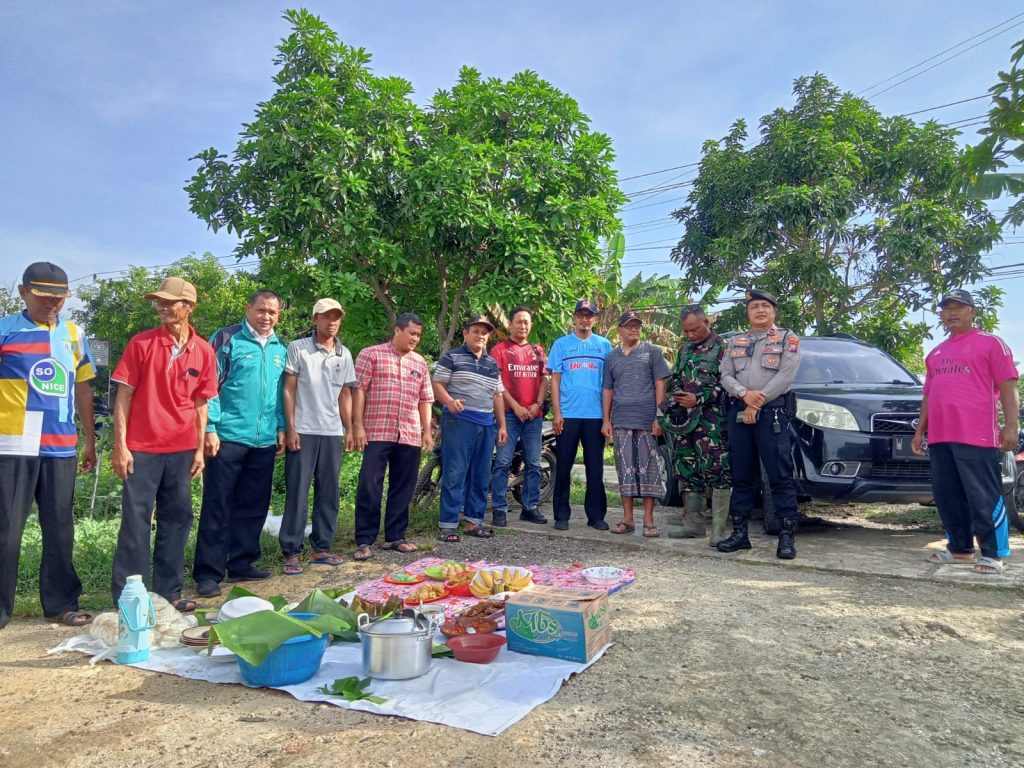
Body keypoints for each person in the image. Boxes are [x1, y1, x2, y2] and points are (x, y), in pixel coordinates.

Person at [110, 277, 218, 610]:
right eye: (159, 301)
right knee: (136, 519)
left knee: (178, 517)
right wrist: (120, 445)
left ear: (189, 307)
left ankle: (169, 592)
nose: (162, 306)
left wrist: (199, 448)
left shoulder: (203, 350)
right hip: (142, 446)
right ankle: (131, 596)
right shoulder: (141, 344)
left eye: (170, 302)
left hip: (182, 448)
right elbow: (123, 397)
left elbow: (201, 403)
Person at [0, 262, 96, 629]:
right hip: (13, 443)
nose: (51, 304)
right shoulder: (6, 329)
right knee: (6, 529)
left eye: (58, 299)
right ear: (23, 292)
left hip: (60, 445)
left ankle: (61, 603)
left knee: (59, 527)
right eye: (43, 297)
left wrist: (89, 439)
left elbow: (83, 387)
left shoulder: (74, 334)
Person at [911, 289, 1018, 574]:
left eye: (959, 308)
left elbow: (1008, 385)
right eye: (947, 309)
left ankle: (995, 553)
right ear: (941, 316)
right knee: (947, 494)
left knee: (983, 493)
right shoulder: (936, 353)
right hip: (940, 436)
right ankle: (960, 548)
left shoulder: (992, 344)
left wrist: (1011, 426)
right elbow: (928, 395)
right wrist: (920, 432)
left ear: (972, 312)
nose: (952, 313)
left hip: (977, 433)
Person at [192, 290, 288, 597]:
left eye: (272, 312)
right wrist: (210, 427)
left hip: (263, 439)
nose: (266, 317)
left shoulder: (279, 347)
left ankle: (242, 562)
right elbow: (209, 386)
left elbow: (279, 392)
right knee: (218, 504)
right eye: (261, 310)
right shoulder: (225, 339)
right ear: (248, 309)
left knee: (253, 503)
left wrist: (282, 428)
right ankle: (209, 572)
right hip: (227, 437)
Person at [718, 289, 802, 559]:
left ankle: (787, 536)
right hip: (740, 413)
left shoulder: (787, 338)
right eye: (755, 307)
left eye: (766, 306)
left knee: (780, 477)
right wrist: (744, 396)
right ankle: (740, 533)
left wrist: (756, 403)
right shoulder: (735, 342)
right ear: (748, 312)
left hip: (771, 415)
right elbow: (725, 375)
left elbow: (786, 377)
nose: (760, 310)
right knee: (741, 476)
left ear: (774, 311)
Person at [280, 299, 356, 575]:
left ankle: (321, 548)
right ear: (315, 319)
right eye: (326, 317)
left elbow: (345, 393)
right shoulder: (298, 348)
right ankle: (291, 551)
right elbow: (289, 389)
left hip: (332, 431)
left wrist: (349, 428)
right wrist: (291, 427)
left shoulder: (343, 354)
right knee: (298, 491)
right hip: (304, 429)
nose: (332, 322)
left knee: (329, 492)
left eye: (336, 317)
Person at [350, 312, 434, 561]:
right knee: (369, 484)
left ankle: (395, 536)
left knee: (403, 486)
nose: (415, 339)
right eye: (412, 333)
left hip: (408, 432)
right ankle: (364, 539)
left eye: (418, 335)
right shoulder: (371, 354)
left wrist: (427, 431)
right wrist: (357, 425)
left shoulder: (419, 362)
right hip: (377, 429)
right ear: (397, 330)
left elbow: (425, 399)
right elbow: (359, 391)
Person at [659, 304, 732, 546]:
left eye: (694, 330)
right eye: (686, 331)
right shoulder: (685, 349)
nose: (690, 335)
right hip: (685, 421)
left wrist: (699, 399)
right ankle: (693, 524)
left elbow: (729, 385)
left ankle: (719, 530)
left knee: (717, 471)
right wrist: (674, 398)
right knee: (686, 468)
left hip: (711, 422)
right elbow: (677, 379)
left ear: (706, 323)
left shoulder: (723, 348)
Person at [433, 314, 508, 542]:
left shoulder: (492, 363)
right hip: (459, 422)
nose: (480, 336)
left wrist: (502, 425)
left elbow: (497, 395)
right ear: (466, 333)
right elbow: (437, 384)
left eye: (484, 332)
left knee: (480, 475)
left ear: (489, 337)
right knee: (455, 472)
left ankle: (473, 522)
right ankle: (448, 525)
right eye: (475, 331)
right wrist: (449, 402)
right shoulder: (452, 357)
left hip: (486, 424)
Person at [601, 311, 670, 537]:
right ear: (620, 330)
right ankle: (627, 518)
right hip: (621, 420)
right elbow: (608, 390)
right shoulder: (612, 357)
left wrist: (659, 416)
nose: (634, 329)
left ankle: (649, 520)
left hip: (646, 421)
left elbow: (661, 385)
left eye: (637, 326)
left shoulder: (652, 352)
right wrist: (606, 420)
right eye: (629, 326)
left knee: (649, 470)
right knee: (625, 470)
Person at [548, 299, 613, 531]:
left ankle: (596, 516)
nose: (585, 319)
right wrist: (557, 412)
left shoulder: (604, 345)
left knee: (595, 468)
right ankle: (561, 515)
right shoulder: (561, 345)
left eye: (589, 315)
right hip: (568, 415)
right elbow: (554, 380)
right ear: (574, 317)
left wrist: (608, 418)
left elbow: (609, 382)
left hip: (595, 416)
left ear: (595, 319)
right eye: (581, 315)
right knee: (564, 466)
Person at [489, 306, 549, 526]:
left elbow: (544, 379)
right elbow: (498, 384)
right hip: (508, 415)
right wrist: (515, 406)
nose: (523, 326)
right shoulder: (499, 350)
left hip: (534, 416)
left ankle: (530, 507)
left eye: (526, 322)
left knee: (533, 463)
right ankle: (499, 508)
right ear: (510, 324)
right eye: (518, 322)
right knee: (503, 462)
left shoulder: (538, 350)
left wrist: (538, 404)